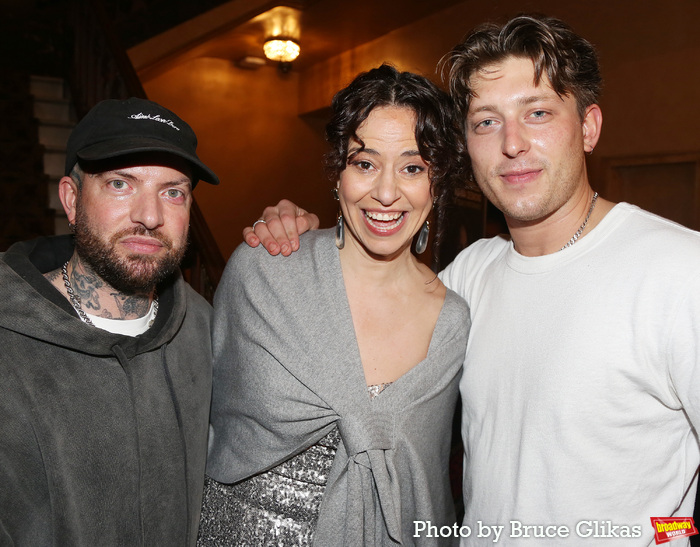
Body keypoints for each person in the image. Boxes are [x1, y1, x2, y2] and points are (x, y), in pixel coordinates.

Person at [245, 14, 700, 546]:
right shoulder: (468, 277)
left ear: (589, 127)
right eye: (486, 121)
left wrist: (666, 534)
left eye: (537, 112)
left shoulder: (678, 271)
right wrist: (301, 236)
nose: (512, 143)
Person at [197, 64, 470, 546]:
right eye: (364, 163)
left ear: (438, 181)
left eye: (412, 167)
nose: (386, 193)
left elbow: (427, 484)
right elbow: (203, 418)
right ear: (337, 173)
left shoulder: (451, 323)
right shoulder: (264, 272)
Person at [0, 97, 219, 546]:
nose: (151, 216)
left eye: (173, 191)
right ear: (72, 199)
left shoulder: (205, 331)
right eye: (121, 184)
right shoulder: (9, 340)